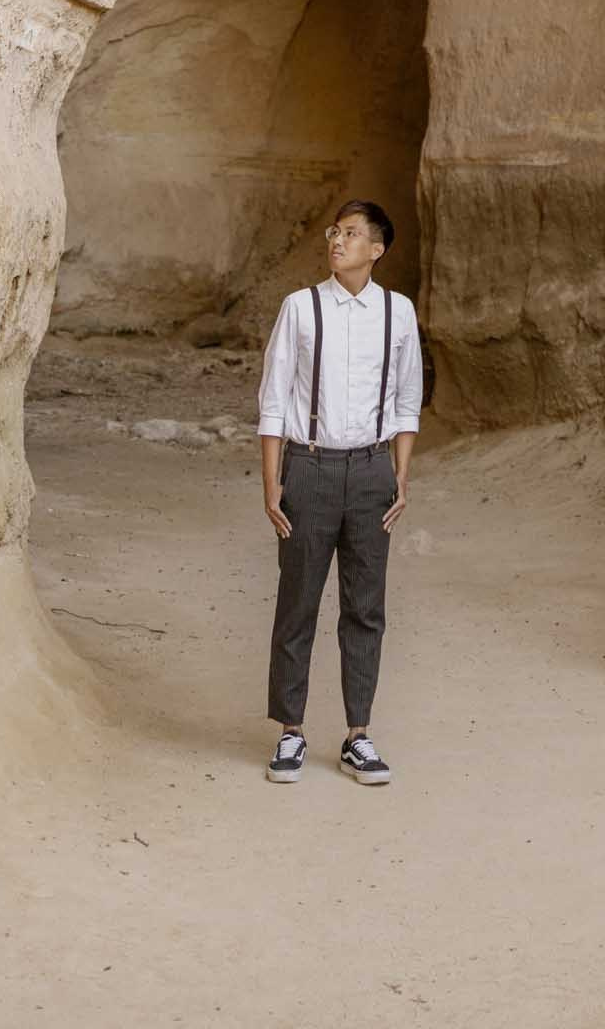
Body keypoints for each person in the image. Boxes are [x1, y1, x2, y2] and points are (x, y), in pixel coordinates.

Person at [257, 198, 422, 784]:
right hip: (311, 468)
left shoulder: (398, 313)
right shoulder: (301, 309)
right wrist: (273, 482)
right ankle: (291, 731)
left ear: (376, 249)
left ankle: (359, 734)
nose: (337, 241)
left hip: (372, 471)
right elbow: (274, 401)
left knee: (365, 608)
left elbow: (407, 400)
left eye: (351, 234)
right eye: (335, 232)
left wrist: (399, 474)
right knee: (297, 602)